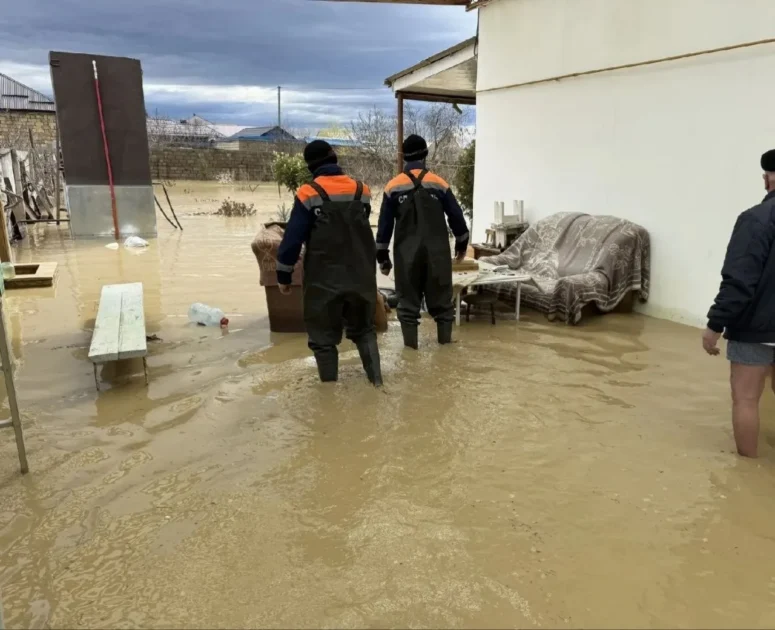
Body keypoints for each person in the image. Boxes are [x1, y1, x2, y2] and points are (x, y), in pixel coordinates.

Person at [276, 140, 382, 386]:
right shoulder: (362, 190)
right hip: (361, 276)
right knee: (364, 330)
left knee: (323, 338)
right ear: (334, 156)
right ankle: (377, 384)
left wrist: (284, 275)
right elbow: (357, 227)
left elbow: (293, 239)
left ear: (310, 166)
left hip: (324, 280)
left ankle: (329, 396)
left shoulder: (308, 193)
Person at [704, 149, 775, 457]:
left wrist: (714, 323)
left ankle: (745, 474)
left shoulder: (755, 219)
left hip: (756, 327)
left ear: (769, 179)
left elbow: (740, 280)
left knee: (746, 399)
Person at [376, 134, 469, 349]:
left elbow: (384, 229)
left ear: (403, 156)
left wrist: (383, 259)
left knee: (407, 308)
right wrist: (461, 246)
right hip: (437, 256)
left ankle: (411, 354)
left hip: (406, 257)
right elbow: (458, 219)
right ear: (425, 155)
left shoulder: (392, 187)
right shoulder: (439, 183)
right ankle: (445, 351)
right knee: (443, 307)